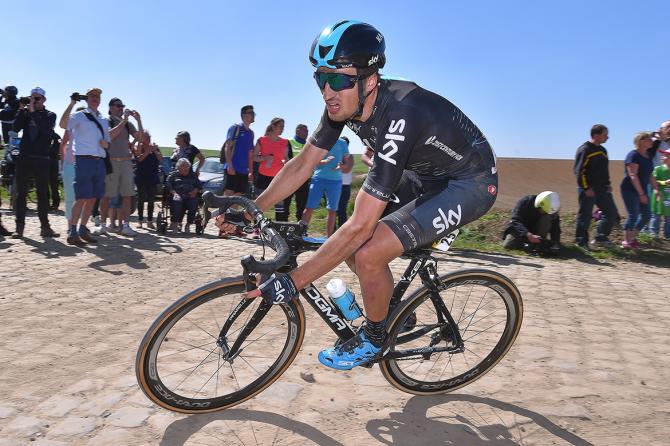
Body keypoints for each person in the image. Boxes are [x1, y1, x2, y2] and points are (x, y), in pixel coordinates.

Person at [218, 20, 498, 370]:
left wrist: (294, 281)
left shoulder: (401, 114)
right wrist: (250, 209)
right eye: (321, 78)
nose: (327, 92)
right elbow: (303, 163)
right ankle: (394, 314)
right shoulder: (344, 104)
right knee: (355, 245)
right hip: (423, 174)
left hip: (468, 183)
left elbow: (360, 226)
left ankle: (375, 339)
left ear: (370, 80)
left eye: (338, 80)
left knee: (366, 248)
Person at [59, 88, 110, 245]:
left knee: (93, 198)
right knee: (81, 197)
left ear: (100, 100)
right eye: (92, 96)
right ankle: (72, 230)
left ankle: (83, 228)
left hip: (99, 161)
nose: (95, 98)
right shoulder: (79, 116)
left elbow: (108, 143)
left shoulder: (103, 119)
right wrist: (72, 103)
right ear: (87, 99)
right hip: (84, 160)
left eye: (98, 96)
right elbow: (62, 124)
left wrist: (105, 144)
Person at [11, 87, 59, 238]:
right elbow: (15, 127)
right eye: (31, 98)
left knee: (42, 194)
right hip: (25, 157)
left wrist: (32, 113)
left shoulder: (50, 115)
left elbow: (46, 131)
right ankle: (19, 228)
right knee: (21, 194)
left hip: (42, 159)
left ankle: (45, 227)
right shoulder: (25, 114)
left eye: (37, 98)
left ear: (44, 100)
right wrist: (21, 109)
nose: (33, 101)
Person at [96, 98, 143, 237]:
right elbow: (110, 136)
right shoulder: (106, 121)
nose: (121, 109)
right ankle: (103, 225)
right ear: (110, 108)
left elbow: (140, 138)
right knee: (106, 195)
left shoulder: (128, 124)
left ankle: (126, 226)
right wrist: (124, 121)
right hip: (111, 161)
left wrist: (139, 120)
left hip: (126, 162)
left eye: (122, 106)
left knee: (127, 195)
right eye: (118, 106)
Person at [573, 124, 620, 248]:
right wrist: (586, 188)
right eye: (605, 134)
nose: (608, 137)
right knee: (585, 216)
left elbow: (604, 170)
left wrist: (608, 184)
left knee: (611, 214)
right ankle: (581, 242)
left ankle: (601, 237)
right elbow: (579, 171)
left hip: (602, 189)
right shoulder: (585, 149)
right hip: (589, 189)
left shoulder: (603, 150)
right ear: (596, 135)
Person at [301, 137, 350, 236]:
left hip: (335, 181)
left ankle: (329, 238)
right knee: (309, 207)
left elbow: (347, 164)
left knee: (332, 210)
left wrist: (341, 166)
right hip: (318, 179)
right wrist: (325, 161)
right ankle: (301, 233)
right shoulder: (321, 140)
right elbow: (313, 161)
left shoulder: (342, 143)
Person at [620, 132, 659, 249]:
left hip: (641, 190)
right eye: (649, 139)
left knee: (646, 215)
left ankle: (632, 238)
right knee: (634, 215)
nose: (652, 141)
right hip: (630, 189)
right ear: (641, 141)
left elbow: (650, 175)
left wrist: (656, 189)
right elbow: (633, 175)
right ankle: (626, 242)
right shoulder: (633, 155)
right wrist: (641, 193)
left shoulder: (647, 156)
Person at [252, 118, 289, 222]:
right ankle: (256, 228)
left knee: (280, 203)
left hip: (278, 177)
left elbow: (286, 158)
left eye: (283, 126)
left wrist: (288, 162)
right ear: (273, 126)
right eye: (280, 126)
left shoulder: (284, 142)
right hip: (263, 176)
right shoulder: (262, 140)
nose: (282, 129)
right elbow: (254, 157)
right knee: (259, 203)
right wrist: (265, 158)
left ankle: (280, 227)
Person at [222, 105, 255, 197]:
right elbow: (227, 147)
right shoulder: (235, 128)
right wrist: (230, 165)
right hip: (232, 168)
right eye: (251, 113)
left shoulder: (251, 133)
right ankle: (220, 212)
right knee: (228, 196)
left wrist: (251, 172)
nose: (254, 115)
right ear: (244, 115)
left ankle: (229, 212)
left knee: (237, 197)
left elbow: (250, 154)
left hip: (244, 171)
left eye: (253, 113)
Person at [134, 130, 163, 229]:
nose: (148, 139)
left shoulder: (155, 148)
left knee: (151, 200)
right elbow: (140, 159)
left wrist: (154, 150)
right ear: (141, 139)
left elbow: (161, 160)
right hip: (141, 177)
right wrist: (148, 151)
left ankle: (150, 221)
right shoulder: (139, 147)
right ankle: (140, 220)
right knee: (141, 199)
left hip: (152, 177)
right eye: (146, 137)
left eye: (149, 137)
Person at [167, 158, 202, 233]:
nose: (186, 168)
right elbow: (168, 185)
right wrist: (174, 193)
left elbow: (199, 185)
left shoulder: (193, 176)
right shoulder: (173, 175)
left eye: (187, 166)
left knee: (194, 203)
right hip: (178, 195)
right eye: (183, 166)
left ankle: (188, 224)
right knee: (177, 201)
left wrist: (195, 191)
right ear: (178, 167)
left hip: (190, 196)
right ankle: (175, 224)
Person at [286, 124, 311, 220]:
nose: (307, 132)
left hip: (303, 180)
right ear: (297, 131)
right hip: (290, 179)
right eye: (304, 130)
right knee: (286, 204)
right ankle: (282, 227)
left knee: (301, 206)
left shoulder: (308, 145)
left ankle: (299, 230)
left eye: (307, 130)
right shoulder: (289, 142)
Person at [650, 149, 670, 239]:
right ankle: (653, 234)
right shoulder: (658, 169)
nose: (662, 157)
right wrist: (664, 182)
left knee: (668, 217)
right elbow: (653, 181)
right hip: (659, 195)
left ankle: (668, 235)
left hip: (668, 197)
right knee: (656, 215)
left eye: (665, 155)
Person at [336, 136, 355, 228]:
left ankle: (341, 230)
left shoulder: (349, 156)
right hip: (335, 184)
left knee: (342, 210)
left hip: (345, 186)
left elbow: (346, 170)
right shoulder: (336, 154)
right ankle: (331, 232)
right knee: (333, 210)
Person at [48, 132, 61, 211]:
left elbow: (56, 150)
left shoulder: (56, 136)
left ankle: (55, 204)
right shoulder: (41, 133)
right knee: (50, 184)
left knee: (53, 184)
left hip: (52, 162)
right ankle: (48, 203)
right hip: (49, 162)